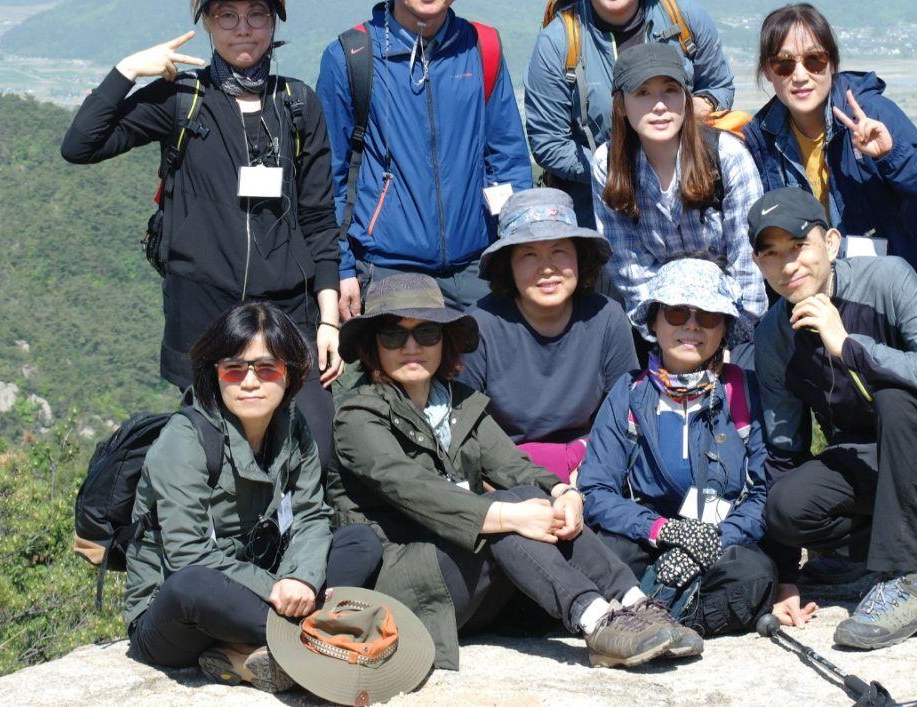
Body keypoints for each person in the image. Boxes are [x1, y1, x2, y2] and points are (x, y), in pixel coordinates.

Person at [324, 273, 701, 670]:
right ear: (372, 347)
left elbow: (513, 465)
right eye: (393, 335)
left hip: (468, 572)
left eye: (427, 333)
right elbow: (412, 488)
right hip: (405, 581)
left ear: (445, 339)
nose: (412, 347)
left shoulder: (458, 402)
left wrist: (561, 492)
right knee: (507, 509)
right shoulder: (357, 416)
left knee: (525, 497)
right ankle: (595, 621)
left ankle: (635, 602)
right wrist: (506, 514)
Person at [60, 0, 343, 467]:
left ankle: (296, 543)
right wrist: (127, 70)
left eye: (257, 14)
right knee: (215, 457)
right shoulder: (182, 100)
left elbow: (319, 218)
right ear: (209, 25)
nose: (243, 27)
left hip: (288, 309)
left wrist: (328, 321)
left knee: (314, 451)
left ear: (274, 25)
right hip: (206, 311)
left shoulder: (298, 104)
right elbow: (80, 145)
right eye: (227, 15)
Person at [749, 188, 917, 650]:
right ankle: (908, 533)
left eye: (798, 246)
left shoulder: (886, 278)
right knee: (786, 508)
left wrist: (848, 345)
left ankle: (905, 580)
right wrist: (784, 576)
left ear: (830, 243)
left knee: (897, 395)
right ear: (758, 264)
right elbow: (783, 452)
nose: (787, 265)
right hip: (882, 458)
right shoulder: (774, 336)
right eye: (771, 254)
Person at [125, 302, 382, 693]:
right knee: (191, 586)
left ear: (289, 375)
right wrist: (275, 589)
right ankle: (318, 634)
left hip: (266, 587)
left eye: (267, 369)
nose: (250, 382)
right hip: (177, 615)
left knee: (360, 541)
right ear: (215, 373)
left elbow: (312, 516)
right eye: (234, 368)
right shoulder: (185, 440)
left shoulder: (294, 428)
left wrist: (301, 577)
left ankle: (251, 651)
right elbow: (186, 555)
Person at [317, 0, 532, 318]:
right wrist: (340, 267)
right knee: (403, 380)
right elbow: (329, 175)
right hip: (387, 270)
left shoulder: (482, 47)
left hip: (478, 266)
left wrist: (516, 250)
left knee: (485, 381)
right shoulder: (352, 55)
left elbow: (507, 158)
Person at [578, 258, 779, 636]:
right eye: (676, 312)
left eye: (707, 316)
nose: (691, 325)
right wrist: (664, 531)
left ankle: (648, 618)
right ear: (653, 322)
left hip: (723, 539)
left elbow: (765, 489)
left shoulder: (746, 391)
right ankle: (676, 612)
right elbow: (596, 489)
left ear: (725, 329)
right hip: (646, 536)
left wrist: (716, 540)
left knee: (754, 574)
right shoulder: (627, 394)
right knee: (606, 556)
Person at [741, 3, 917, 313]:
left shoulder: (870, 113)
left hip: (915, 299)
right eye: (784, 64)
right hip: (840, 304)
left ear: (832, 64)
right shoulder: (763, 139)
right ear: (768, 72)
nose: (800, 75)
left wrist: (892, 156)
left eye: (814, 60)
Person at [525, 0, 734, 229]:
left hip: (689, 200)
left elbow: (719, 86)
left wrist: (699, 106)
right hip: (599, 207)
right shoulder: (559, 42)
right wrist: (617, 169)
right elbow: (549, 143)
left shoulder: (684, 19)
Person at [592, 43, 766, 348]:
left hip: (728, 325)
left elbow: (749, 263)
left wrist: (726, 338)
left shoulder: (727, 157)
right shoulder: (608, 165)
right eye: (642, 93)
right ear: (621, 104)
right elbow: (630, 268)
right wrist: (669, 339)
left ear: (686, 98)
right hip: (661, 327)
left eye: (670, 91)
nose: (659, 105)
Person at [459, 187, 638, 483]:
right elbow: (464, 430)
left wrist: (589, 471)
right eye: (529, 254)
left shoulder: (608, 317)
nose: (547, 268)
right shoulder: (479, 327)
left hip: (592, 467)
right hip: (506, 475)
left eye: (559, 251)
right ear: (508, 265)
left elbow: (623, 416)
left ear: (580, 259)